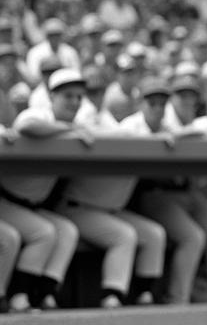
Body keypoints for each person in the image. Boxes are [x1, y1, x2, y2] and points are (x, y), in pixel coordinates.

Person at [55, 76, 167, 309]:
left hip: (111, 211)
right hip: (79, 207)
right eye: (151, 102)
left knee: (154, 234)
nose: (157, 108)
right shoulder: (126, 126)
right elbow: (123, 137)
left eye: (161, 103)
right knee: (124, 235)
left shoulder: (160, 127)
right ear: (140, 104)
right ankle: (112, 296)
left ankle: (145, 295)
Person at [132, 75, 207, 304]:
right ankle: (178, 298)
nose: (187, 100)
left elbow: (201, 135)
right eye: (182, 95)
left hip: (188, 191)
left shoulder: (187, 123)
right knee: (193, 237)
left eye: (192, 96)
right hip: (156, 192)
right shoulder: (151, 122)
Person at [3, 68, 87, 311]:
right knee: (44, 232)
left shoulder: (77, 124)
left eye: (79, 97)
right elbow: (26, 125)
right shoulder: (40, 114)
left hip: (32, 206)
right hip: (7, 201)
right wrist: (68, 130)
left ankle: (45, 293)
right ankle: (19, 296)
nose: (74, 102)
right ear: (52, 96)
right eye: (68, 96)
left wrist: (71, 129)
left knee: (67, 230)